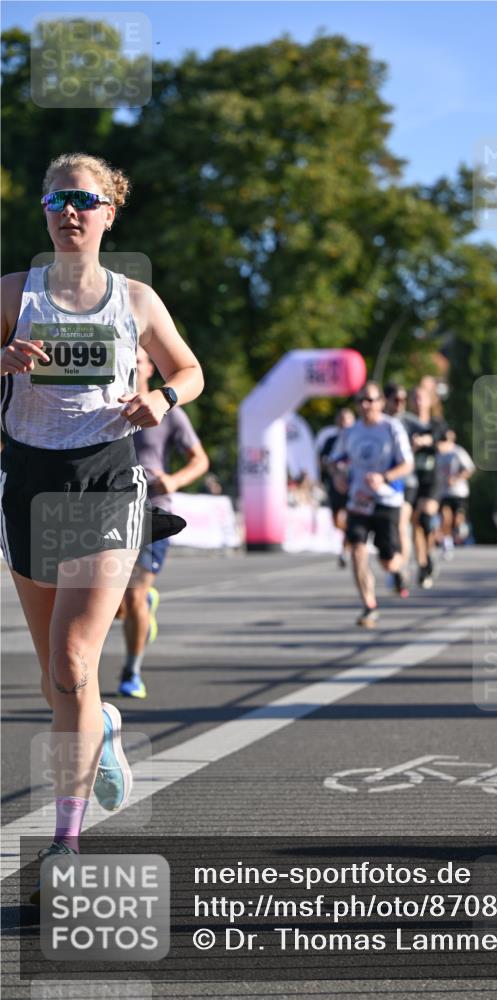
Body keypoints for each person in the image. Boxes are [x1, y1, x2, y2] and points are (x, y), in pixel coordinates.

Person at [0, 153, 204, 894]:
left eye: (84, 199)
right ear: (45, 211)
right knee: (61, 683)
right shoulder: (13, 293)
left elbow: (189, 370)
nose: (69, 211)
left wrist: (163, 401)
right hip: (27, 484)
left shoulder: (136, 299)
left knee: (74, 662)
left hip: (106, 481)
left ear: (108, 213)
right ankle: (105, 725)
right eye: (56, 198)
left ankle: (65, 841)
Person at [116, 347, 209, 698]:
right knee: (116, 605)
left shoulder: (169, 412)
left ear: (150, 367)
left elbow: (200, 460)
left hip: (154, 511)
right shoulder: (109, 402)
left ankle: (132, 671)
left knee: (135, 594)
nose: (132, 364)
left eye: (138, 359)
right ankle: (141, 608)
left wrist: (174, 480)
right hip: (111, 510)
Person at [330, 382, 413, 627]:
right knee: (357, 550)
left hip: (387, 499)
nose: (365, 405)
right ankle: (369, 605)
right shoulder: (351, 432)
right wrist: (338, 477)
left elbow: (407, 465)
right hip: (358, 500)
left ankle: (399, 570)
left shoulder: (392, 428)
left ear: (380, 403)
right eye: (361, 401)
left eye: (370, 400)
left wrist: (384, 478)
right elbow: (334, 461)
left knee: (388, 561)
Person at [407, 383, 447, 589]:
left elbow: (445, 440)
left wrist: (428, 441)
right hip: (413, 477)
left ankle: (430, 553)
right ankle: (422, 563)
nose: (417, 400)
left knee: (426, 516)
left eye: (421, 397)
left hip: (433, 477)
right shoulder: (405, 423)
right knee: (415, 522)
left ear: (430, 400)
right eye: (414, 397)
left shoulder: (436, 422)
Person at [383, 382, 417, 595]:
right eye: (396, 400)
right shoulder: (378, 423)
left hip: (407, 481)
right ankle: (395, 563)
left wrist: (426, 439)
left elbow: (438, 430)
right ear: (385, 401)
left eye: (404, 400)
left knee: (402, 524)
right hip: (382, 485)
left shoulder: (409, 422)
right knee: (390, 529)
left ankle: (401, 570)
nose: (401, 404)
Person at [317, 407, 354, 568]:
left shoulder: (357, 438)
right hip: (334, 485)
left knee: (350, 517)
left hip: (353, 485)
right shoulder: (331, 441)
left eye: (347, 420)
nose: (344, 423)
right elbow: (323, 461)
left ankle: (345, 549)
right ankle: (348, 536)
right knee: (336, 520)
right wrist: (331, 470)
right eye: (341, 419)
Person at [436, 429, 475, 559]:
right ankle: (447, 544)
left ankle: (462, 531)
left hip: (459, 492)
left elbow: (469, 469)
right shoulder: (438, 453)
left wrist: (456, 478)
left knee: (457, 519)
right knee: (445, 518)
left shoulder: (458, 452)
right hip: (443, 492)